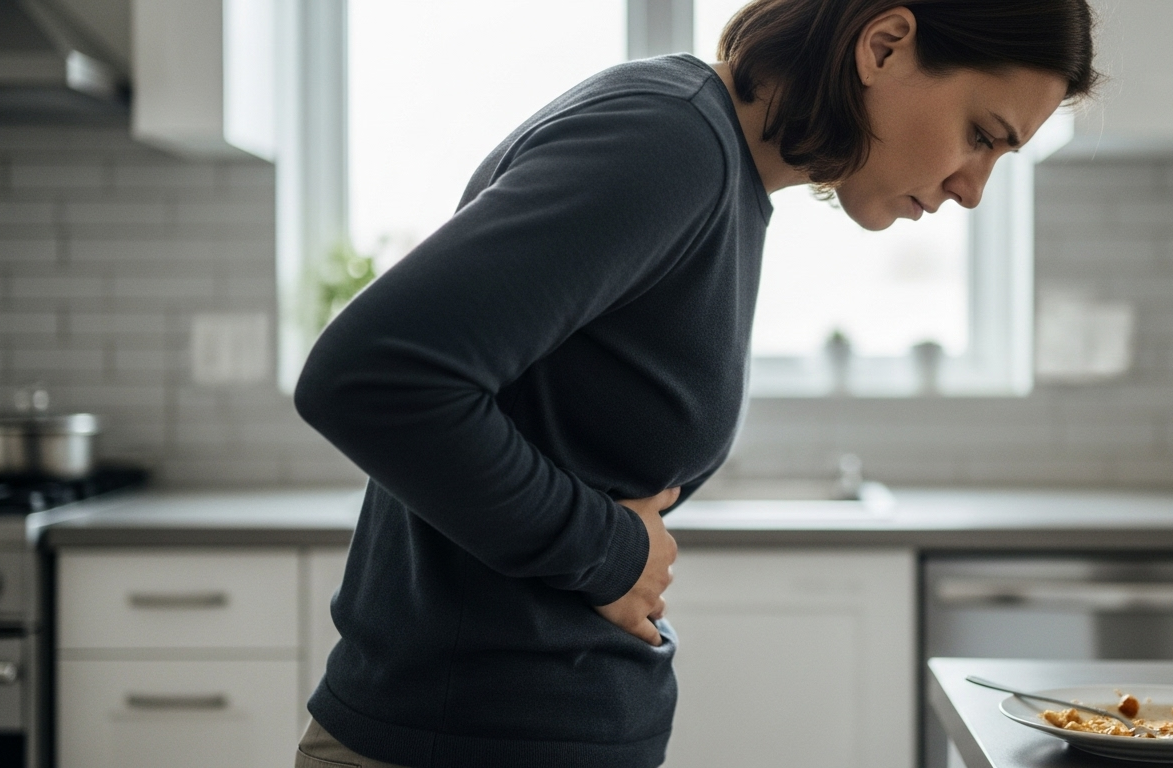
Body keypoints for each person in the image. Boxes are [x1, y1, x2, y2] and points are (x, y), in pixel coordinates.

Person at [292, 1, 1099, 766]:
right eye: (981, 136)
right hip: (461, 739)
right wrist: (606, 551)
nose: (972, 188)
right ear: (883, 44)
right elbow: (370, 375)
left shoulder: (717, 169)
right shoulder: (668, 141)